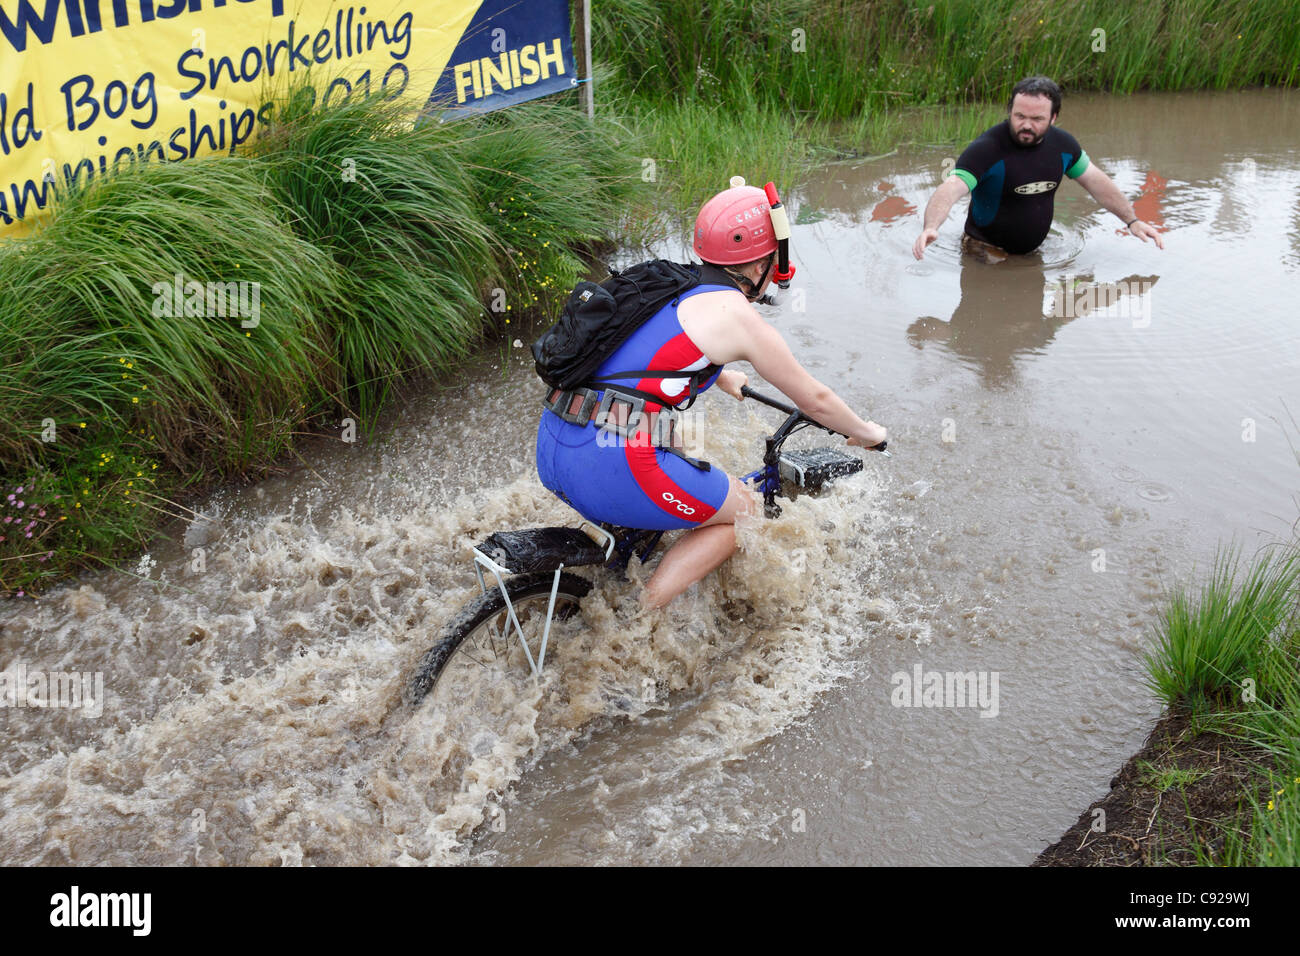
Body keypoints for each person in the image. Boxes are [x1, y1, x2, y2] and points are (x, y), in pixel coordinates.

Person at [536, 178, 887, 609]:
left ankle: (618, 564)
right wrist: (865, 432)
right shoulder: (740, 318)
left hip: (553, 450)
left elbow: (648, 351)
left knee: (672, 449)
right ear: (761, 264)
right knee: (747, 514)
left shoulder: (666, 281)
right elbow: (815, 400)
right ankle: (637, 619)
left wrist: (721, 375)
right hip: (615, 465)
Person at [912, 76, 1166, 261]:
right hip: (984, 249)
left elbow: (1097, 182)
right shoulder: (987, 149)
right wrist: (931, 227)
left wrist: (1131, 220)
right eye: (1020, 116)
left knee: (1033, 327)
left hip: (1034, 253)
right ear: (1010, 110)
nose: (1027, 125)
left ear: (1054, 117)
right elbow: (952, 187)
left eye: (1037, 119)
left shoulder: (1064, 146)